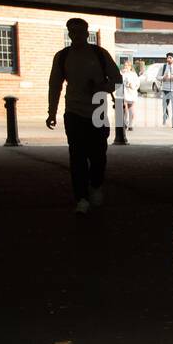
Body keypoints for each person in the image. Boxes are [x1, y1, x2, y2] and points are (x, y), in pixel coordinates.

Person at [47, 18, 122, 214]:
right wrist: (52, 112)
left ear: (87, 33)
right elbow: (55, 85)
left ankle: (96, 186)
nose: (76, 35)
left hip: (97, 112)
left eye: (80, 32)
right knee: (77, 157)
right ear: (69, 34)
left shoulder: (100, 54)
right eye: (73, 32)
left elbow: (117, 80)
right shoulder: (62, 57)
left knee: (98, 156)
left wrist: (100, 87)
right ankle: (81, 198)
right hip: (73, 113)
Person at [158, 52, 173, 128]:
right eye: (168, 57)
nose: (169, 59)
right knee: (164, 106)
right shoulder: (163, 67)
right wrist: (163, 78)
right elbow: (158, 77)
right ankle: (165, 119)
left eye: (170, 58)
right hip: (165, 89)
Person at [119, 59, 139, 133]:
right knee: (125, 109)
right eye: (125, 65)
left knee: (132, 111)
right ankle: (125, 123)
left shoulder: (133, 74)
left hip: (132, 93)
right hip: (124, 93)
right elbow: (119, 82)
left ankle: (131, 125)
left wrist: (132, 86)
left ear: (130, 67)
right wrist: (121, 73)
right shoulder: (121, 73)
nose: (126, 67)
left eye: (127, 65)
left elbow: (137, 84)